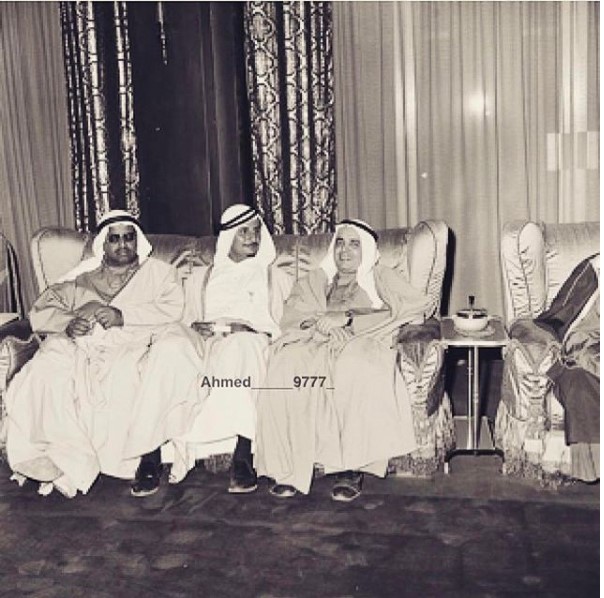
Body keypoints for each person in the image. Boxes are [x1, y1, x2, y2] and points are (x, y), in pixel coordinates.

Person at [4, 210, 201, 498]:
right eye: (114, 239)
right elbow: (42, 311)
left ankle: (125, 460)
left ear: (137, 240)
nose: (123, 245)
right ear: (103, 245)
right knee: (45, 367)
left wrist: (123, 315)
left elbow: (172, 308)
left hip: (133, 340)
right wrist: (69, 324)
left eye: (128, 237)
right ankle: (50, 455)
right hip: (84, 345)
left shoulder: (157, 273)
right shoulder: (82, 280)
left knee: (124, 370)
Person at [255, 219, 432, 502]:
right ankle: (287, 468)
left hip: (361, 341)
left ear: (366, 250)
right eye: (339, 242)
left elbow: (416, 308)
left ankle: (350, 467)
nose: (344, 251)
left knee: (353, 366)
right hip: (315, 341)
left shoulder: (380, 276)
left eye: (353, 244)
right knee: (284, 364)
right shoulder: (316, 279)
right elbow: (292, 315)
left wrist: (349, 319)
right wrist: (319, 324)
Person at [164, 204, 293, 493]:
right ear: (227, 237)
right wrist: (194, 327)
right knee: (175, 352)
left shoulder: (275, 277)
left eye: (256, 231)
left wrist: (251, 330)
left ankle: (244, 450)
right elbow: (180, 319)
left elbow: (289, 323)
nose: (252, 237)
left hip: (254, 342)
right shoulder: (200, 278)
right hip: (208, 343)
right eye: (243, 232)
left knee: (242, 346)